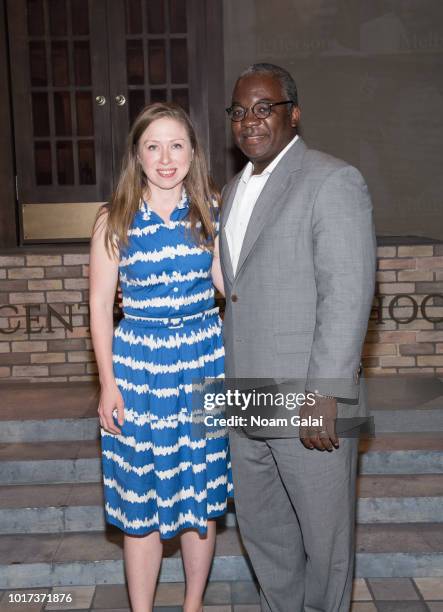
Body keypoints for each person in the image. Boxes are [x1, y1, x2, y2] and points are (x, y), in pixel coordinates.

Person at [220, 63, 376, 612]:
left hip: (311, 400)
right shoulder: (233, 189)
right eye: (239, 112)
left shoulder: (332, 180)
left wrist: (323, 397)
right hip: (245, 399)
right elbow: (238, 293)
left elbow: (347, 294)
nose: (250, 121)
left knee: (325, 544)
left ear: (294, 113)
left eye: (264, 108)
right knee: (266, 539)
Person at [89, 102, 233, 612]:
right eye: (153, 146)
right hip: (138, 368)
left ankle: (193, 605)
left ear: (193, 153)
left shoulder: (214, 212)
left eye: (176, 145)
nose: (165, 157)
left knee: (201, 490)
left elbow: (228, 287)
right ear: (138, 155)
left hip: (202, 363)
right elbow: (100, 308)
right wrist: (108, 383)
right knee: (140, 498)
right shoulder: (115, 218)